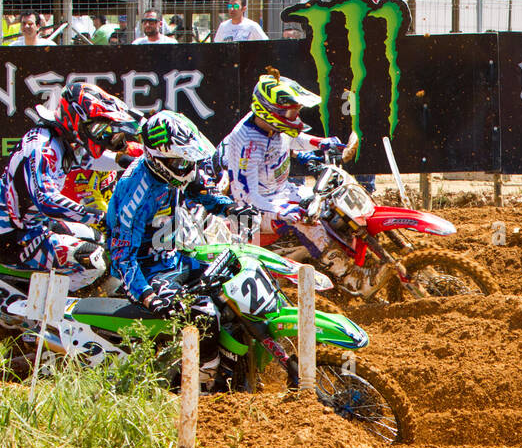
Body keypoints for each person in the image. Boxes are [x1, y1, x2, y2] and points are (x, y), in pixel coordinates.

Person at [105, 112, 246, 381]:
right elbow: (123, 257)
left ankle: (235, 363)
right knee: (203, 313)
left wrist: (231, 208)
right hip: (145, 271)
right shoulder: (136, 192)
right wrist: (148, 296)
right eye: (180, 161)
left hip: (173, 257)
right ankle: (201, 384)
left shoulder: (177, 170)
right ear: (158, 158)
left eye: (188, 159)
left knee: (233, 276)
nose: (187, 166)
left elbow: (202, 192)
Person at [217, 70, 353, 287]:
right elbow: (247, 196)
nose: (296, 118)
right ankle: (350, 279)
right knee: (307, 220)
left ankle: (346, 253)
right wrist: (282, 211)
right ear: (271, 111)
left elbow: (294, 137)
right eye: (292, 113)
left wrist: (320, 143)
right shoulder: (247, 142)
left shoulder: (270, 124)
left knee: (333, 200)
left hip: (282, 192)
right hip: (253, 211)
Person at [0, 83, 140, 290]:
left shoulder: (63, 140)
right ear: (77, 120)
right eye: (97, 128)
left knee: (101, 239)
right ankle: (51, 313)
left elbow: (89, 160)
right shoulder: (43, 147)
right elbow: (47, 201)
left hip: (34, 226)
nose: (102, 134)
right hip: (12, 237)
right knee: (92, 259)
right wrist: (101, 217)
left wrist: (130, 161)